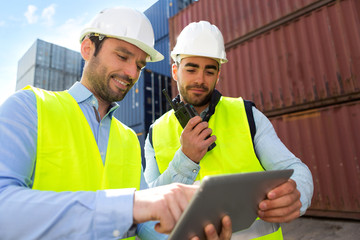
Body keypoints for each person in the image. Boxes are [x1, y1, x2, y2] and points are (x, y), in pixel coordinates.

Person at [0, 8, 232, 240]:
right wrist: (128, 207)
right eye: (122, 56)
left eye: (140, 66)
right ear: (88, 49)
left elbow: (146, 224)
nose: (132, 72)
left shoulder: (129, 138)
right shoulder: (30, 107)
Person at [144, 21, 314, 239]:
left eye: (209, 70)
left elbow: (295, 168)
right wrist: (185, 160)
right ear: (175, 71)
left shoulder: (247, 114)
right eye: (191, 68)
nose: (199, 79)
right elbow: (149, 204)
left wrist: (297, 194)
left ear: (218, 75)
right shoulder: (154, 132)